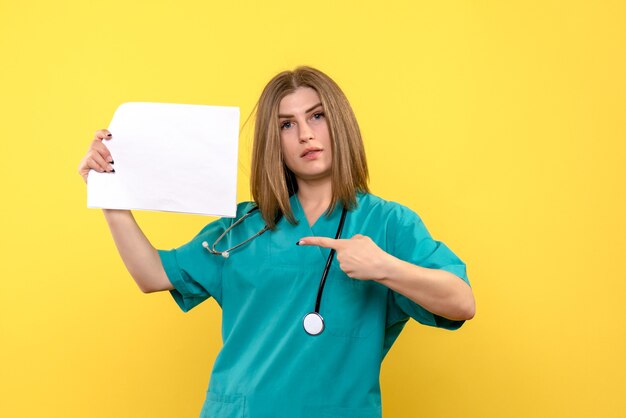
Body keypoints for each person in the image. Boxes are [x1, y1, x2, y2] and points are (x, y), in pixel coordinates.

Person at [78, 66, 475, 418]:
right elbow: (152, 274)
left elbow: (461, 302)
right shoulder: (245, 225)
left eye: (317, 116)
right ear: (275, 141)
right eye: (287, 125)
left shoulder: (387, 224)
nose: (305, 134)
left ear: (340, 123)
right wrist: (109, 195)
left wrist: (385, 267)